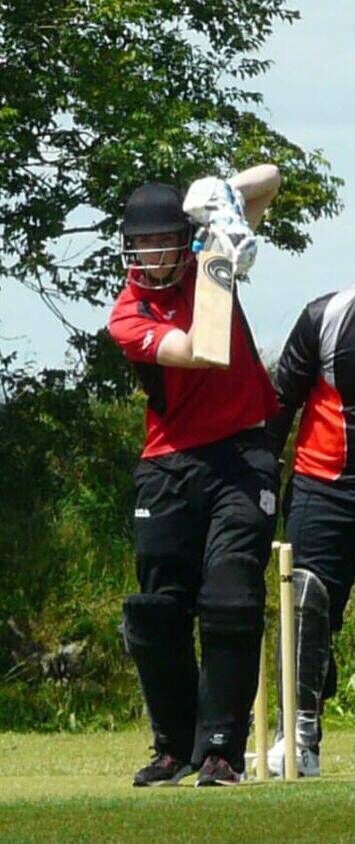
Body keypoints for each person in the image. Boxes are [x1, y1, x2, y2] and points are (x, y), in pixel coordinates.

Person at [108, 164, 281, 786]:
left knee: (231, 593)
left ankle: (220, 751)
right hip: (168, 462)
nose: (154, 253)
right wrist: (221, 258)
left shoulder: (211, 243)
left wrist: (223, 201)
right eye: (143, 243)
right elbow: (204, 348)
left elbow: (273, 176)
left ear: (183, 237)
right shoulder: (127, 314)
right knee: (158, 607)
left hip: (241, 451)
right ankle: (172, 747)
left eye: (164, 240)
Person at [267, 285, 355, 776]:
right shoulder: (326, 316)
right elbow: (280, 405)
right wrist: (256, 486)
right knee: (307, 603)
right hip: (324, 486)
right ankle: (298, 741)